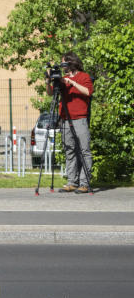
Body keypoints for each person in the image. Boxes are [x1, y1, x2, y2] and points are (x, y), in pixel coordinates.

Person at [48, 51, 94, 194]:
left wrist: (72, 82)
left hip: (80, 119)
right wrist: (48, 81)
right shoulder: (63, 79)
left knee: (84, 151)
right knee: (70, 150)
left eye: (64, 63)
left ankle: (84, 183)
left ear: (71, 63)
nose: (62, 67)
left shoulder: (84, 76)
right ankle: (72, 182)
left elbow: (87, 92)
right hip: (66, 120)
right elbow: (50, 94)